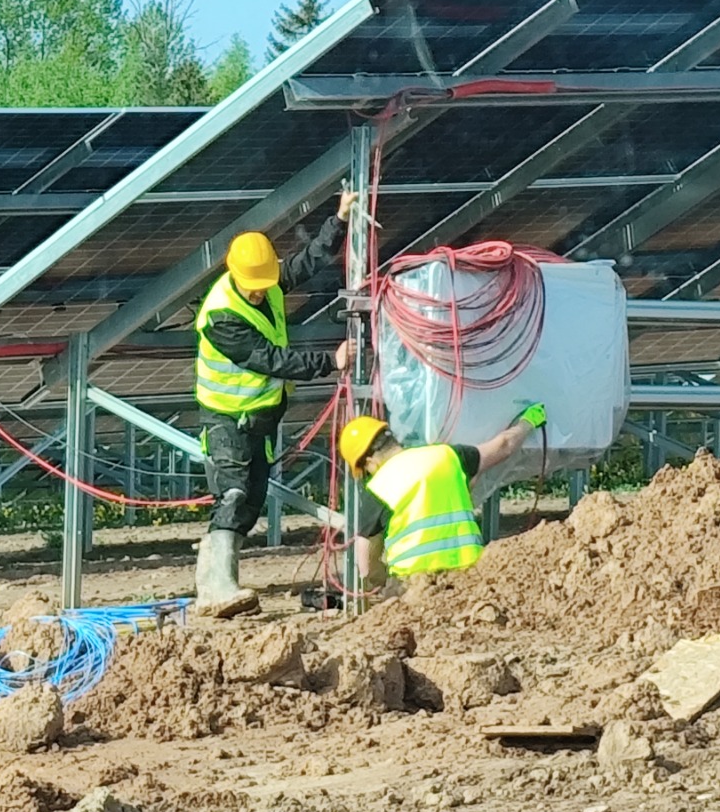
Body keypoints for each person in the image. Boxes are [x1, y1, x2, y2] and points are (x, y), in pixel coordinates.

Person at [193, 191, 356, 614]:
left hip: (259, 419)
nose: (263, 293)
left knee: (249, 501)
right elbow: (269, 360)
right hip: (227, 418)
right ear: (237, 277)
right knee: (231, 493)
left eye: (266, 284)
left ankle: (218, 588)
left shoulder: (264, 282)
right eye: (256, 287)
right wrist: (329, 361)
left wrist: (338, 220)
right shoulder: (222, 316)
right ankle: (216, 589)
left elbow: (306, 262)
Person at [337, 403, 547, 589]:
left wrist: (383, 581)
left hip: (415, 586)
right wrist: (528, 421)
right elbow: (503, 446)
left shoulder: (377, 488)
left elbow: (366, 567)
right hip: (470, 578)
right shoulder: (448, 456)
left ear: (369, 462)